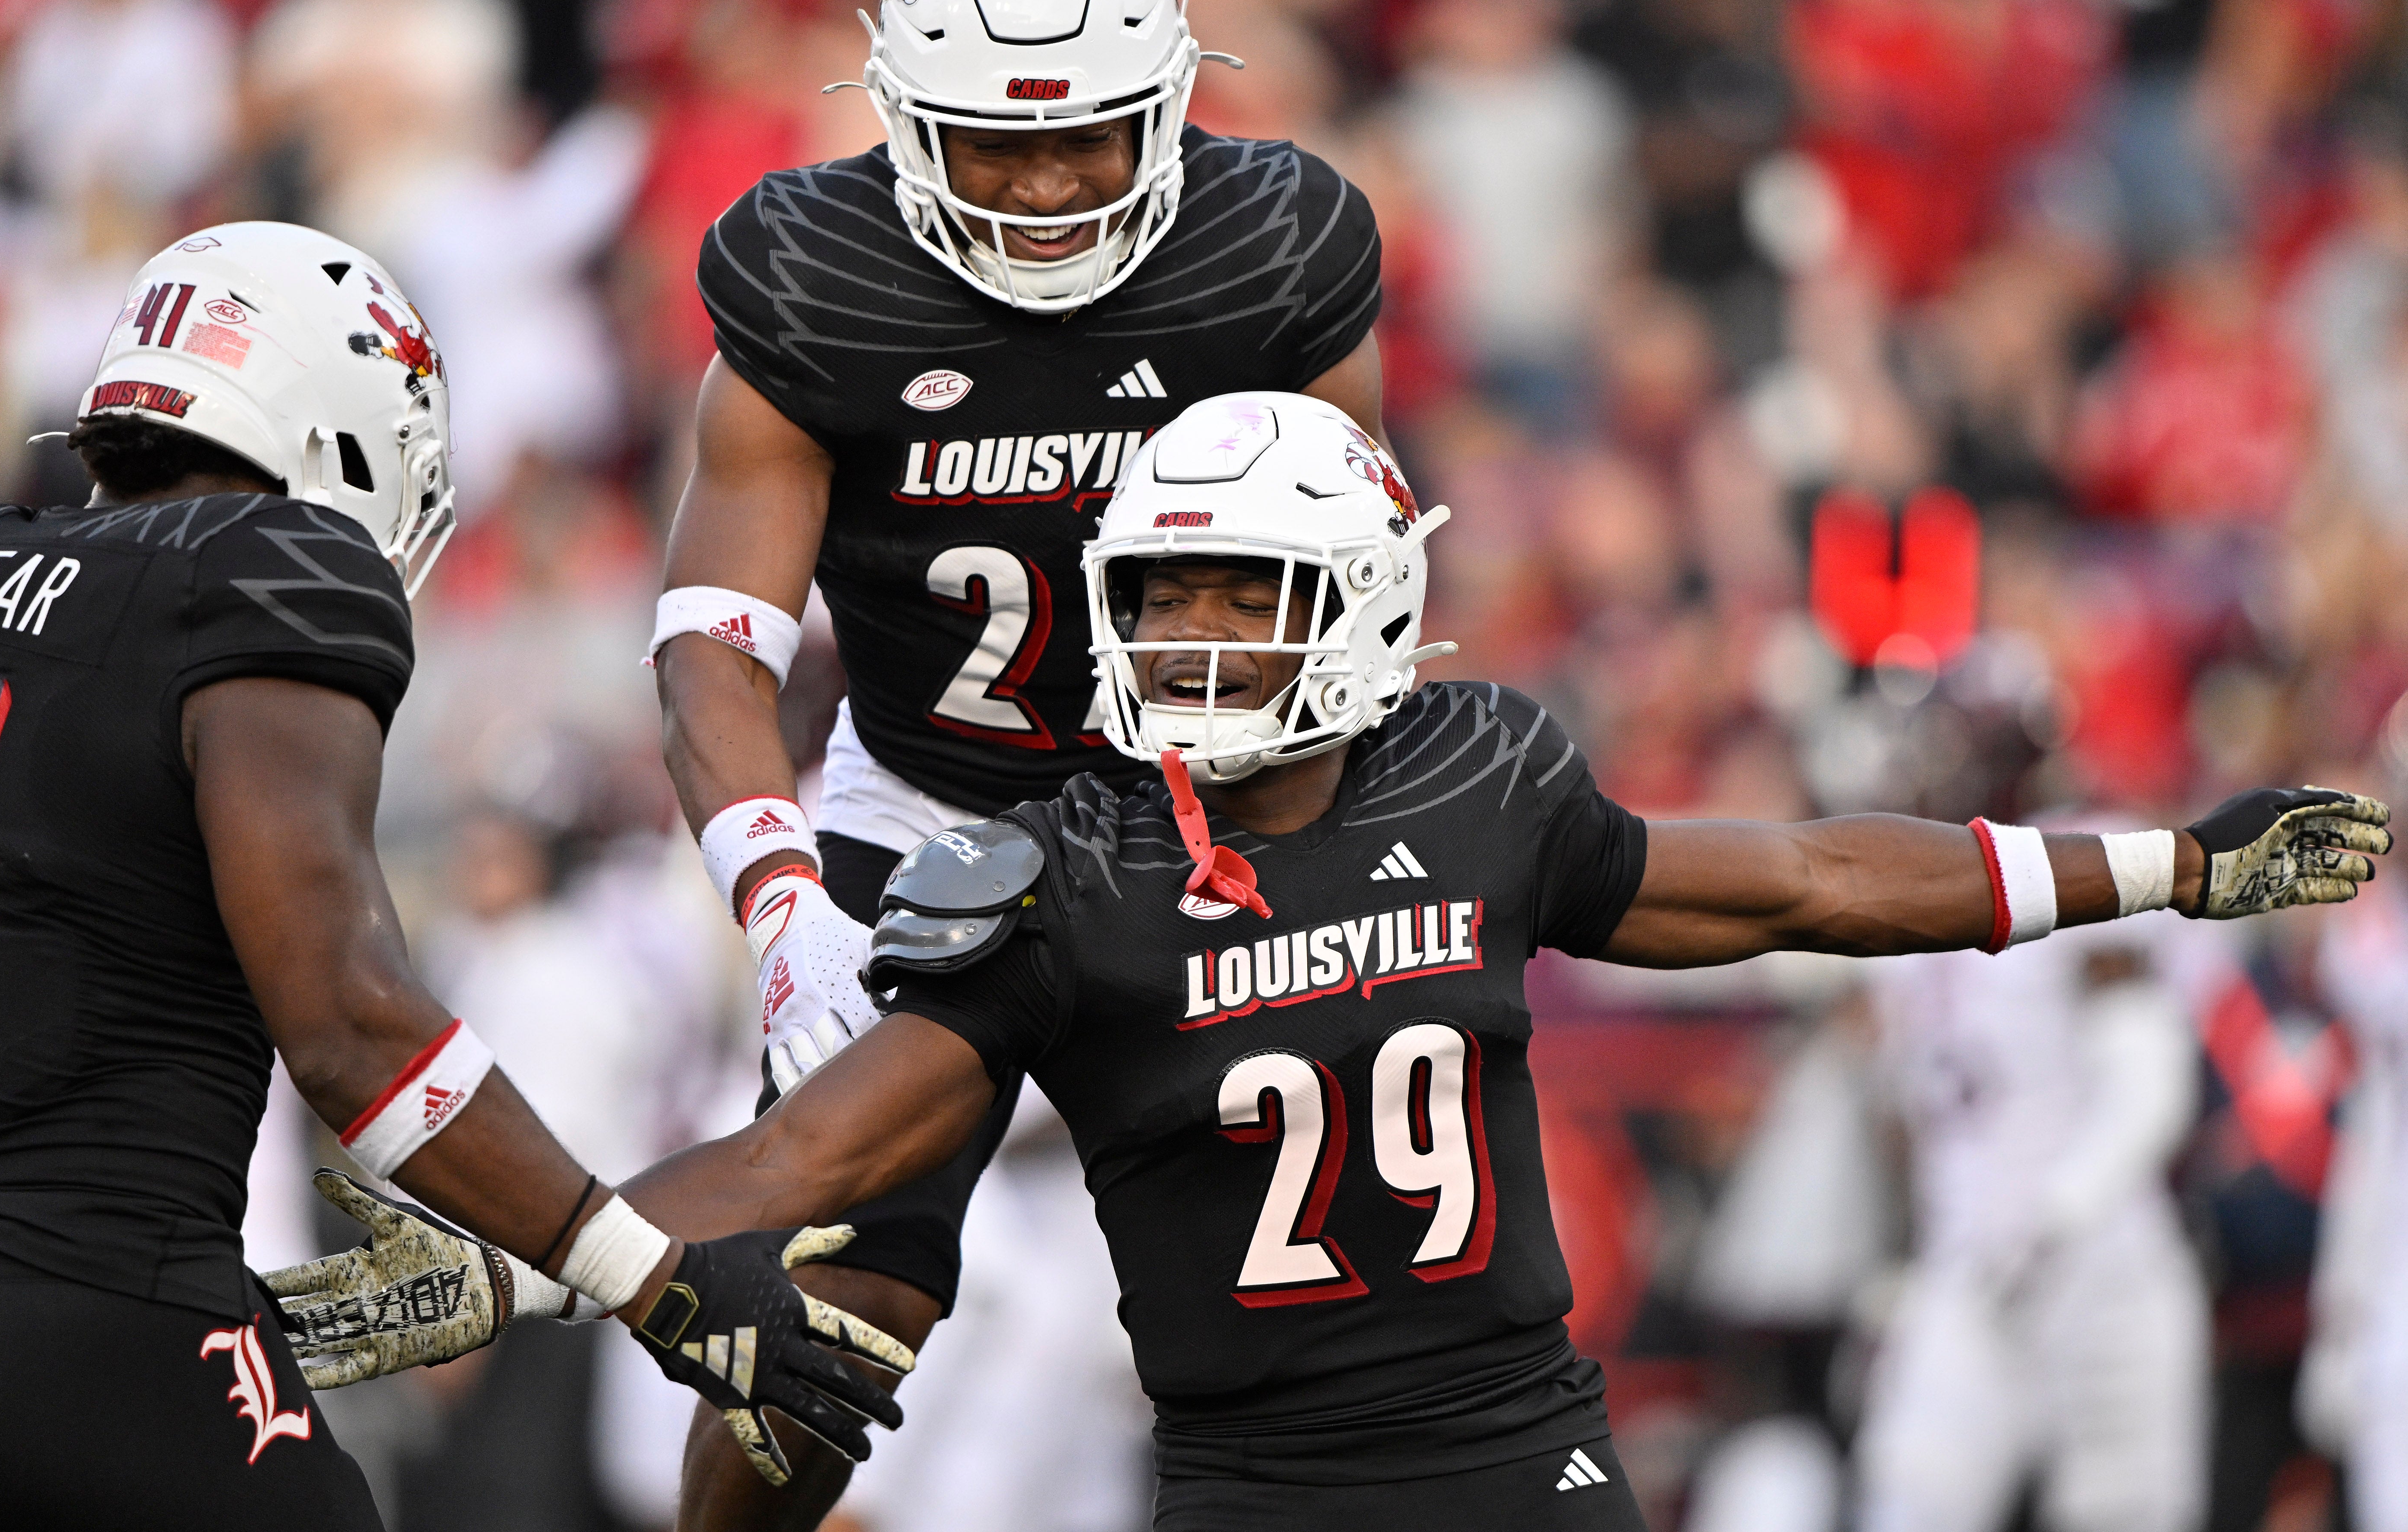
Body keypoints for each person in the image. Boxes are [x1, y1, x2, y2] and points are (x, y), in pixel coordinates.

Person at [286, 394, 2389, 1530]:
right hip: (1250, 1491)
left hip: (1517, 1459)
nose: (1191, 636)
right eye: (1166, 592)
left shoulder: (1482, 783)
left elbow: (1812, 876)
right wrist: (503, 1258)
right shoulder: (1065, 874)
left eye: (1244, 591)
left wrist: (2169, 861)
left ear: (1368, 602)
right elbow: (811, 1147)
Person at [648, 0, 1383, 1519]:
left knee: (1326, 1298)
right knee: (831, 1303)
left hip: (1205, 813)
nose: (1047, 185)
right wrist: (780, 908)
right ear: (905, 120)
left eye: (1086, 137)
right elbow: (710, 644)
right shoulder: (811, 276)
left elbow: (1361, 577)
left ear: (1171, 110)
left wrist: (1328, 850)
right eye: (997, 141)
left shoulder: (1268, 246)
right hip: (928, 810)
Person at [0, 222, 909, 1526]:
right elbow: (351, 1027)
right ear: (342, 426)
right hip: (94, 1307)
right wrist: (656, 1280)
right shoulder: (263, 571)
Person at [1856, 905, 2213, 1532]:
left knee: (2119, 1508)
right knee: (1913, 1489)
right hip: (1969, 1267)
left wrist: (2058, 1215)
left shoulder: (2060, 876)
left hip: (2103, 1268)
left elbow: (2150, 1085)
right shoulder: (1892, 911)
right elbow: (1908, 1116)